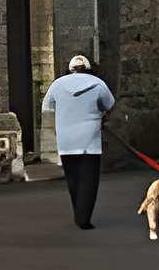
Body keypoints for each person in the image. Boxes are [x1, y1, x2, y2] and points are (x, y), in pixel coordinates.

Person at [46, 54, 117, 230]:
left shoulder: (57, 84)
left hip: (65, 139)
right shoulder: (98, 83)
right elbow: (110, 104)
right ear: (88, 68)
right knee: (88, 179)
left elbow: (47, 106)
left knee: (73, 178)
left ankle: (78, 211)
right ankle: (83, 217)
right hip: (89, 139)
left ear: (69, 69)